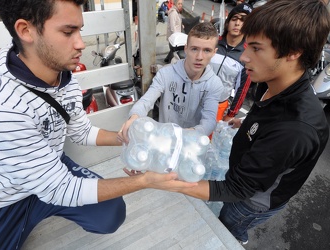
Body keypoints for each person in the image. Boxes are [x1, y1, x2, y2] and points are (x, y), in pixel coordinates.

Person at [0, 0, 196, 249]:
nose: (80, 44)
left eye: (79, 30)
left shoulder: (63, 75)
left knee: (110, 215)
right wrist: (144, 181)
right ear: (25, 30)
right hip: (5, 196)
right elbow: (62, 190)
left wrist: (128, 137)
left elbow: (81, 131)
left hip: (49, 166)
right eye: (67, 32)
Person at [125, 0, 330, 245]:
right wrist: (246, 122)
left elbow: (236, 189)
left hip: (251, 202)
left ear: (293, 52)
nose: (243, 57)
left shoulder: (294, 129)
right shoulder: (273, 82)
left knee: (226, 230)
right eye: (246, 46)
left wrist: (163, 182)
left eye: (256, 48)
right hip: (241, 174)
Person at [119, 21, 224, 142]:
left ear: (214, 52)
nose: (199, 57)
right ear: (186, 49)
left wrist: (184, 135)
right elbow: (146, 101)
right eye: (194, 49)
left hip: (191, 142)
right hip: (164, 141)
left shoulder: (214, 84)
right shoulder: (166, 73)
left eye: (207, 50)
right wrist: (134, 117)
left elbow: (209, 120)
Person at [210, 3, 252, 121]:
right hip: (195, 100)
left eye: (243, 20)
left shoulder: (246, 55)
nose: (237, 23)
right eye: (234, 19)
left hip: (219, 106)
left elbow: (242, 89)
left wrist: (231, 114)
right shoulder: (213, 43)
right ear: (228, 22)